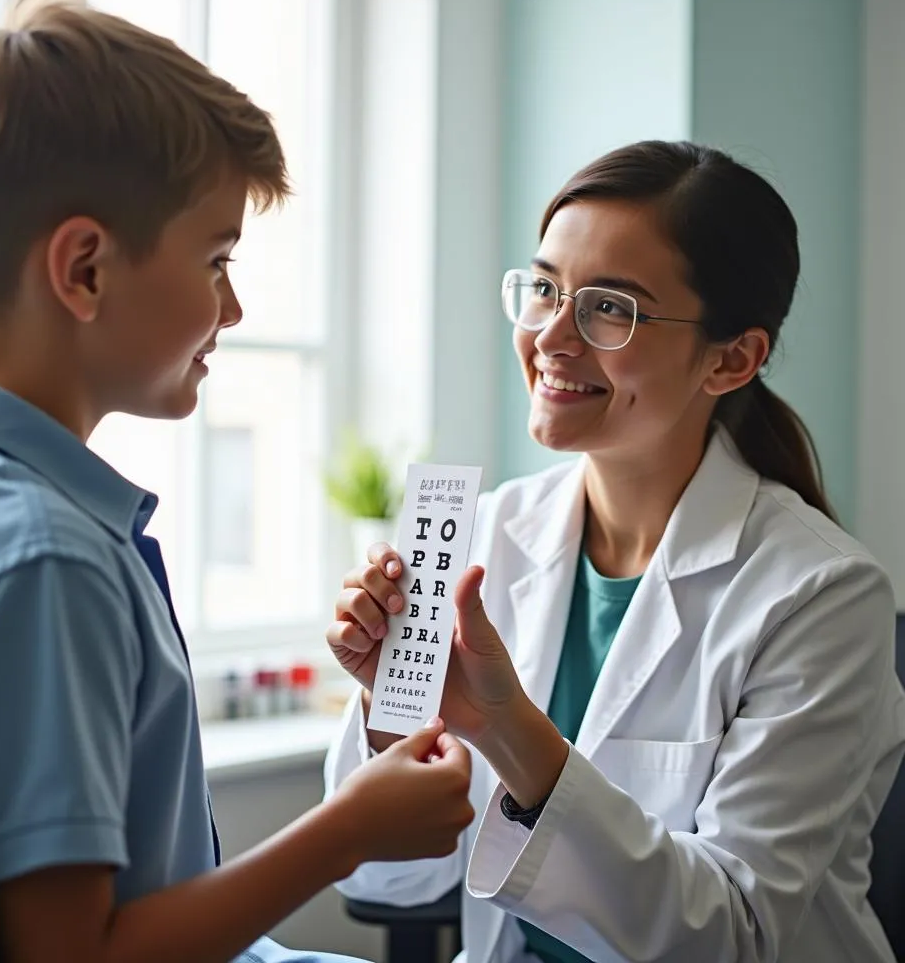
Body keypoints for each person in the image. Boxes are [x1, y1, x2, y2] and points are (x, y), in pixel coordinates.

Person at [0, 0, 475, 963]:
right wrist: (346, 832)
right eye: (215, 261)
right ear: (84, 271)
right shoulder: (45, 562)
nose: (233, 309)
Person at [324, 140, 905, 963]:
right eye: (545, 290)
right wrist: (395, 717)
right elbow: (390, 887)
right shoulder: (488, 535)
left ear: (732, 359)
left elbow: (730, 937)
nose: (551, 337)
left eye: (609, 308)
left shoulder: (822, 595)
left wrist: (506, 728)